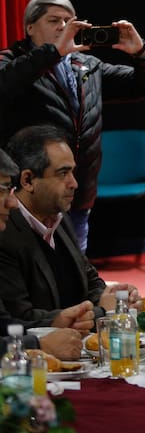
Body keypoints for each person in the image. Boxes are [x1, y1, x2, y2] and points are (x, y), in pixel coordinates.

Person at [0, 0, 145, 252]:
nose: (63, 27)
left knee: (75, 277)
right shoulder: (13, 61)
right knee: (33, 275)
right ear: (30, 27)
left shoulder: (86, 65)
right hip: (30, 196)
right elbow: (5, 83)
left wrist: (142, 52)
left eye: (69, 21)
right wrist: (52, 53)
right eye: (54, 20)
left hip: (77, 192)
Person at [0, 124, 141, 331]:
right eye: (63, 173)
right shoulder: (5, 232)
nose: (74, 183)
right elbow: (20, 317)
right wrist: (102, 312)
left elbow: (89, 280)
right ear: (28, 180)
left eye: (73, 172)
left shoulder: (58, 216)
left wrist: (111, 296)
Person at [0, 146, 91, 359]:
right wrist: (39, 344)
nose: (12, 202)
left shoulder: (60, 220)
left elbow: (3, 324)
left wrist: (54, 323)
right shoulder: (9, 237)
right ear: (29, 180)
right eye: (3, 189)